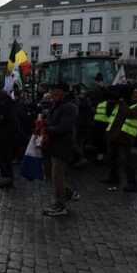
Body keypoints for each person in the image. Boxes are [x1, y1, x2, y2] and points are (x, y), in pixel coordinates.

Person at [101, 86, 137, 192]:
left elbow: (128, 114)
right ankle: (113, 177)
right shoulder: (124, 102)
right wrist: (112, 100)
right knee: (111, 157)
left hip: (125, 136)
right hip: (113, 134)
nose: (135, 94)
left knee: (126, 160)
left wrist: (122, 100)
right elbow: (109, 113)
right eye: (134, 92)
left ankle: (132, 183)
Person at [42, 82, 80, 216]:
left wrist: (47, 129)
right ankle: (68, 193)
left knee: (57, 175)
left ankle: (60, 205)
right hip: (53, 144)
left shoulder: (69, 106)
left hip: (62, 145)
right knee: (49, 172)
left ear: (60, 91)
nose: (50, 92)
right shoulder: (58, 104)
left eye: (52, 90)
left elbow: (66, 127)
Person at [0, 90, 19, 188]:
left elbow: (12, 124)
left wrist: (4, 134)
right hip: (3, 135)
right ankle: (6, 177)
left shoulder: (8, 107)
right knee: (1, 155)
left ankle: (7, 177)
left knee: (4, 157)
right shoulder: (4, 105)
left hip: (6, 137)